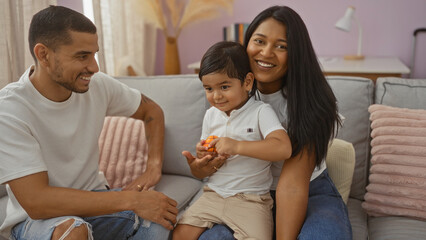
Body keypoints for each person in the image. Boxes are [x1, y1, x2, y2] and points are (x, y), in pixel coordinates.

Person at [0, 5, 178, 240]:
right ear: (43, 54)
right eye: (82, 56)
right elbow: (37, 202)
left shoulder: (98, 85)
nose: (94, 67)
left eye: (94, 54)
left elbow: (151, 111)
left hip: (94, 201)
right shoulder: (9, 109)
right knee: (73, 231)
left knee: (160, 220)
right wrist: (133, 199)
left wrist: (153, 167)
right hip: (37, 219)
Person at [186, 5, 353, 240]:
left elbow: (293, 184)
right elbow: (219, 162)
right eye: (259, 41)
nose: (266, 53)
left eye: (281, 46)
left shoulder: (312, 102)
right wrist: (205, 163)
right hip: (243, 194)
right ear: (246, 45)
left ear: (296, 53)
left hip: (306, 191)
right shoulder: (228, 92)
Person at [173, 41, 292, 240]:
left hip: (251, 200)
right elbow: (202, 172)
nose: (216, 96)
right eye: (209, 89)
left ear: (247, 82)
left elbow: (283, 148)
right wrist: (200, 163)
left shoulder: (261, 112)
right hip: (213, 194)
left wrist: (236, 145)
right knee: (179, 234)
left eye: (224, 86)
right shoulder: (211, 116)